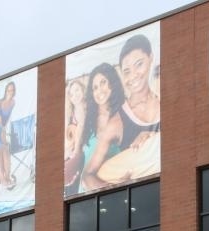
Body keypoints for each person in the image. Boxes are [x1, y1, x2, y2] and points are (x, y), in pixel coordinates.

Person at [96, 34, 161, 186]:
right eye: (126, 71)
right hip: (138, 195)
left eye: (139, 64)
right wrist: (117, 190)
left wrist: (153, 135)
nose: (133, 75)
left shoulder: (166, 99)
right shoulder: (117, 122)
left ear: (151, 58)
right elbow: (90, 174)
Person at [78, 62, 126, 192]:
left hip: (114, 189)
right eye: (95, 87)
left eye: (103, 82)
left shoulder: (124, 114)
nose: (99, 90)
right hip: (86, 191)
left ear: (112, 82)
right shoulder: (88, 120)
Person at [63, 77, 87, 196]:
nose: (75, 95)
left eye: (77, 90)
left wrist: (76, 151)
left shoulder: (83, 109)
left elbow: (80, 133)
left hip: (80, 150)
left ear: (83, 90)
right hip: (72, 150)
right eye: (71, 94)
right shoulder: (74, 109)